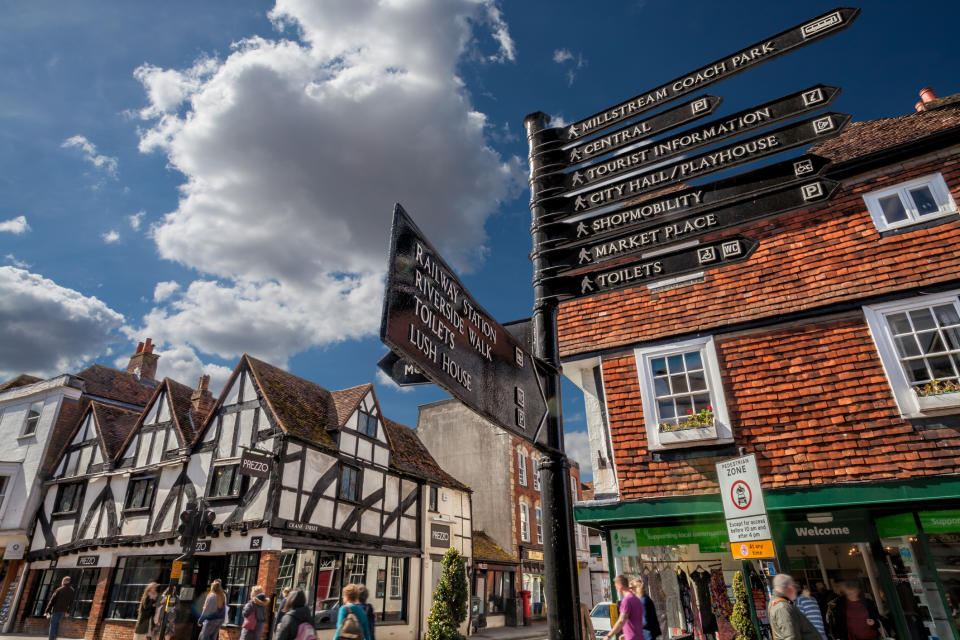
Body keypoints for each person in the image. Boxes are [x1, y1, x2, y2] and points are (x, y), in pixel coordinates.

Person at [768, 574, 822, 640]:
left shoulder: (782, 604)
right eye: (794, 586)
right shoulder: (782, 607)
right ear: (788, 587)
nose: (795, 590)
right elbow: (791, 637)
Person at [606, 574, 644, 640]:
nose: (617, 590)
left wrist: (608, 636)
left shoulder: (626, 601)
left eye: (616, 587)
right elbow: (636, 621)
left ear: (620, 587)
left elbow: (621, 620)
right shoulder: (637, 600)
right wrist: (626, 635)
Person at [44, 576, 75, 640]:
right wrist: (68, 611)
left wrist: (47, 611)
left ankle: (51, 639)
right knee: (57, 624)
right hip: (63, 611)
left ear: (66, 581)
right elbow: (71, 602)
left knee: (53, 625)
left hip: (56, 610)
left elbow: (51, 601)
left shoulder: (59, 589)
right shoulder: (72, 590)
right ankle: (55, 638)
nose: (62, 582)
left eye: (63, 580)